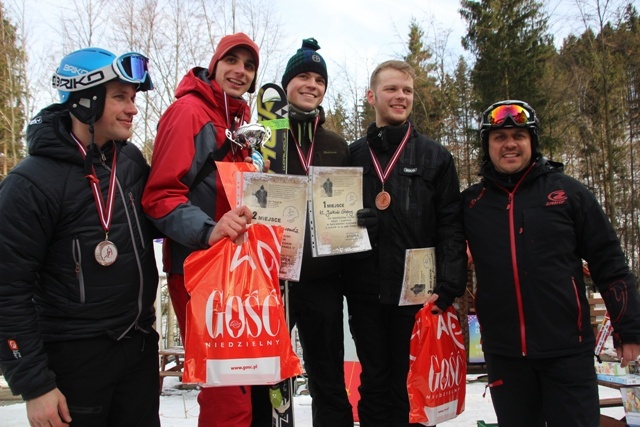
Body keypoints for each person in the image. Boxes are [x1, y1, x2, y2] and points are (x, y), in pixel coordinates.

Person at [0, 47, 160, 427]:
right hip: (75, 362)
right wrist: (35, 385)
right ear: (86, 101)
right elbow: (7, 290)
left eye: (133, 98)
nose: (133, 109)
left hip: (137, 349)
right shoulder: (30, 183)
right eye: (120, 97)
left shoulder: (131, 162)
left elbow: (162, 219)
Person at [462, 99, 640, 426]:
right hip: (505, 356)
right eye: (499, 137)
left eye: (519, 135)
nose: (510, 144)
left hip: (567, 352)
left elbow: (609, 262)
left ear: (533, 141)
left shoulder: (568, 193)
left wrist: (629, 327)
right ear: (487, 146)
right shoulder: (472, 204)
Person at [141, 32, 270, 427]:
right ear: (214, 65)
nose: (241, 71)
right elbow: (160, 195)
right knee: (227, 388)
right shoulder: (189, 113)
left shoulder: (240, 123)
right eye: (232, 61)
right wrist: (209, 230)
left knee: (242, 385)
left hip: (239, 273)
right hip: (199, 269)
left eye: (249, 66)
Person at [343, 60, 467, 426]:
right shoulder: (352, 156)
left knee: (411, 386)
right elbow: (333, 218)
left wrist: (448, 287)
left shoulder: (435, 157)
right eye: (391, 89)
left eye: (407, 91)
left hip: (416, 295)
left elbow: (450, 224)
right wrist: (356, 223)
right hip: (365, 292)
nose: (400, 97)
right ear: (371, 96)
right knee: (374, 383)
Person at [279, 38, 353, 427]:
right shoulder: (266, 139)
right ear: (287, 82)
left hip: (323, 279)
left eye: (319, 79)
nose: (312, 85)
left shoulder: (336, 144)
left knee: (328, 379)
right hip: (275, 279)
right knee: (270, 379)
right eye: (303, 76)